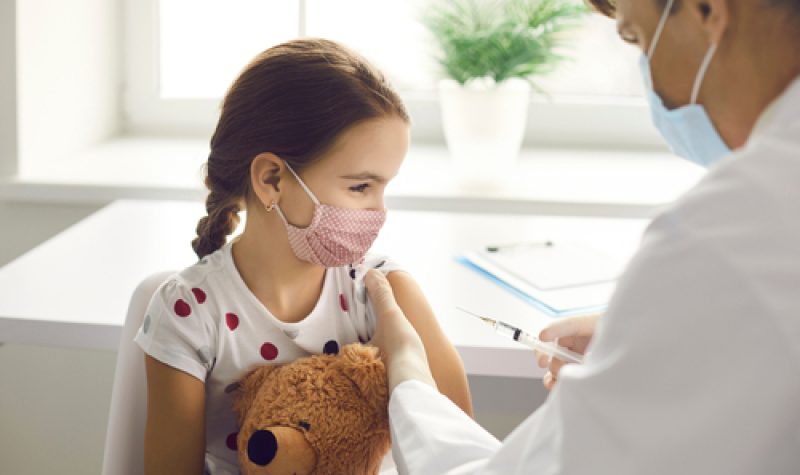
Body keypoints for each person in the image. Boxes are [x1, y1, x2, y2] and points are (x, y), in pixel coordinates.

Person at [365, 0, 800, 473]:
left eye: (637, 39)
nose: (648, 78)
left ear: (706, 10)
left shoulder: (727, 234)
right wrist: (649, 331)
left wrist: (408, 376)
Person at [134, 39, 473, 475]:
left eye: (384, 187)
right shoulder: (189, 312)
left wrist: (405, 356)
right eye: (360, 187)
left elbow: (459, 453)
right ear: (272, 179)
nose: (379, 211)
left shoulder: (387, 295)